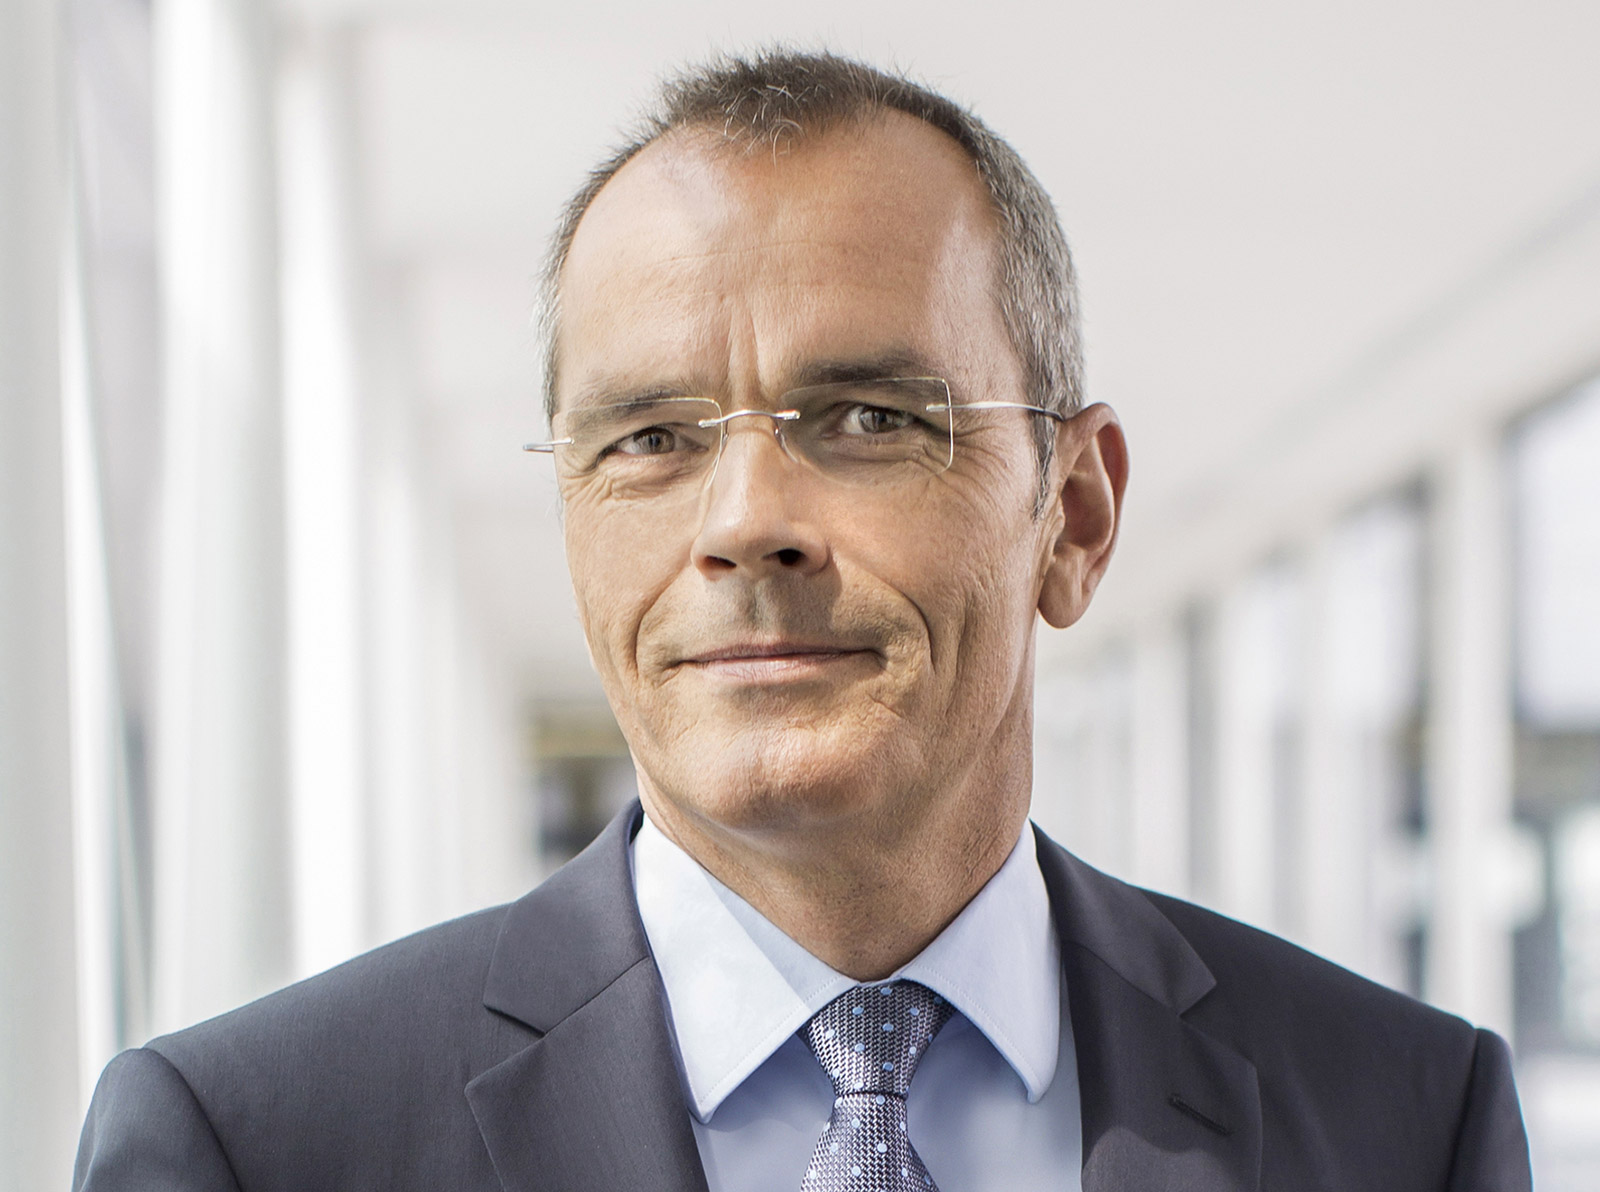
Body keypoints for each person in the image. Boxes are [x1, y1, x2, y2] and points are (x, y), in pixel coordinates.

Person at [74, 49, 1531, 1192]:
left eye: (868, 417)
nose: (743, 522)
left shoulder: (1404, 1120)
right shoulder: (258, 1147)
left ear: (1074, 516)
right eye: (649, 438)